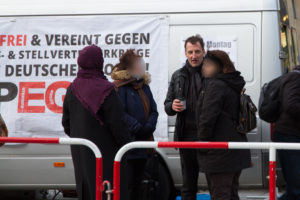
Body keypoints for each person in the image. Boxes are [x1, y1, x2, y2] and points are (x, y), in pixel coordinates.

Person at [62, 45, 131, 200]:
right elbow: (118, 125)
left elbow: (66, 123)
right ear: (99, 62)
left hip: (81, 153)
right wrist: (127, 147)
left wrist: (80, 136)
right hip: (108, 155)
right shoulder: (106, 89)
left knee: (87, 190)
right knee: (108, 192)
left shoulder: (72, 89)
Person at [196, 50, 251, 200]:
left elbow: (207, 117)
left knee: (220, 194)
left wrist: (202, 142)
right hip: (233, 148)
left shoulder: (216, 85)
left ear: (219, 67)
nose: (204, 68)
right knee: (231, 192)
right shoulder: (232, 83)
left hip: (219, 151)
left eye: (207, 65)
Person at [111, 49, 158, 200]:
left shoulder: (144, 86)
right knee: (129, 186)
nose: (142, 67)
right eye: (138, 64)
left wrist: (149, 126)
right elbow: (120, 113)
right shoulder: (120, 87)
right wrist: (138, 128)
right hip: (129, 145)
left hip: (144, 145)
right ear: (129, 68)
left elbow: (154, 111)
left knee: (140, 186)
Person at [164, 35, 205, 200]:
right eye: (190, 52)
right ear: (185, 53)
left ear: (204, 52)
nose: (194, 56)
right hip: (186, 134)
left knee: (213, 181)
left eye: (197, 51)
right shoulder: (178, 75)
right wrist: (172, 106)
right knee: (188, 184)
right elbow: (167, 105)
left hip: (207, 134)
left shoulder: (211, 73)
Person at [273, 65, 300, 200]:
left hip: (293, 136)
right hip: (289, 136)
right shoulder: (295, 77)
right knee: (296, 188)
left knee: (295, 188)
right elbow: (291, 105)